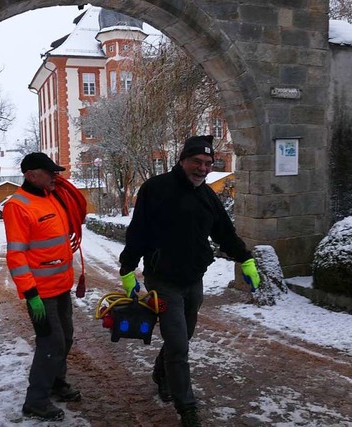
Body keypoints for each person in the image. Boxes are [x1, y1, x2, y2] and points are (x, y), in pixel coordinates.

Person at [118, 135, 261, 427]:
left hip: (194, 280)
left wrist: (244, 258)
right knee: (179, 345)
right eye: (197, 161)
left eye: (208, 163)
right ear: (182, 160)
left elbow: (224, 231)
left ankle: (161, 373)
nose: (203, 168)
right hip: (163, 279)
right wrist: (127, 269)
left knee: (183, 337)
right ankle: (187, 409)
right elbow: (138, 232)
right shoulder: (155, 189)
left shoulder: (207, 196)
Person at [3, 152, 82, 421]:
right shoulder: (18, 206)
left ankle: (56, 383)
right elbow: (16, 255)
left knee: (66, 338)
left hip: (61, 287)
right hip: (40, 294)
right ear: (30, 175)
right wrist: (30, 294)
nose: (54, 177)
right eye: (49, 173)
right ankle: (35, 400)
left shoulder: (51, 197)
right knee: (51, 343)